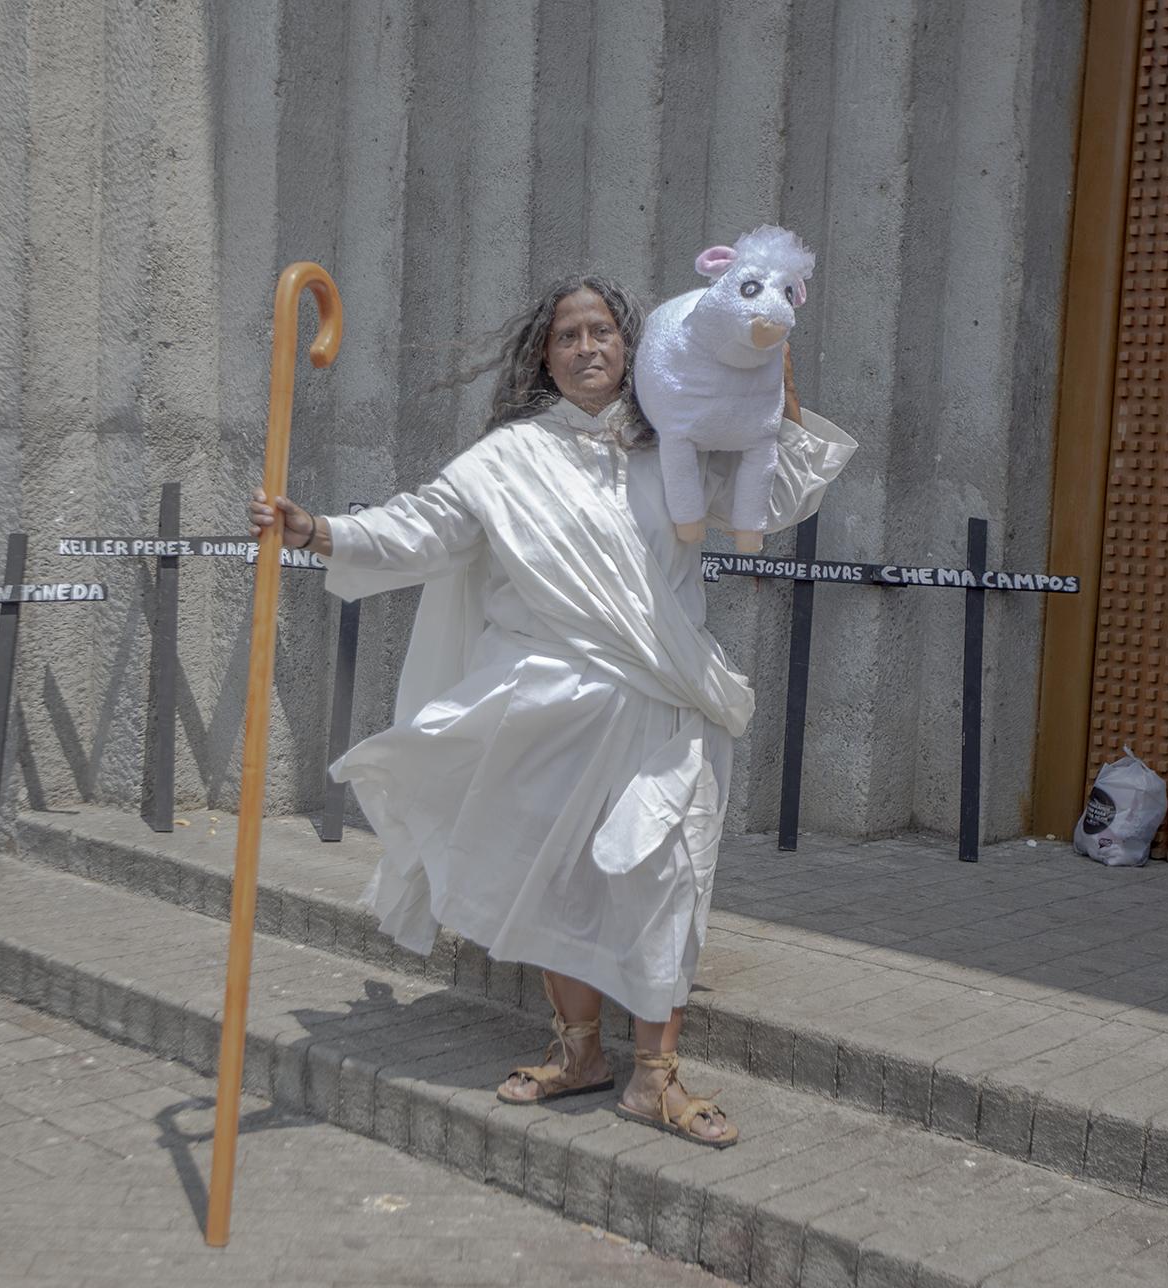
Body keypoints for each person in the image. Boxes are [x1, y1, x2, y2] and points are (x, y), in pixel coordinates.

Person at [249, 275, 858, 1147]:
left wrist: (775, 381)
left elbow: (782, 491)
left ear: (630, 345)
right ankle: (580, 1053)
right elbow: (421, 528)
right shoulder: (508, 458)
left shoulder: (677, 444)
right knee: (555, 876)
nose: (586, 348)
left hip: (662, 706)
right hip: (547, 709)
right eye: (568, 335)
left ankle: (657, 1078)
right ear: (546, 354)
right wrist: (315, 530)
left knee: (664, 876)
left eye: (601, 331)